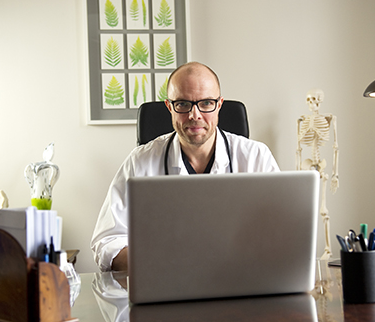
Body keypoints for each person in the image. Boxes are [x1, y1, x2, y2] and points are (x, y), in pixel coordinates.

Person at [91, 62, 280, 272]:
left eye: (206, 103)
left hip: (241, 280)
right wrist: (163, 261)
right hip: (165, 284)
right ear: (169, 107)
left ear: (219, 105)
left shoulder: (256, 157)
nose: (195, 115)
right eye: (183, 104)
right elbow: (107, 243)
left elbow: (281, 234)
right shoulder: (140, 162)